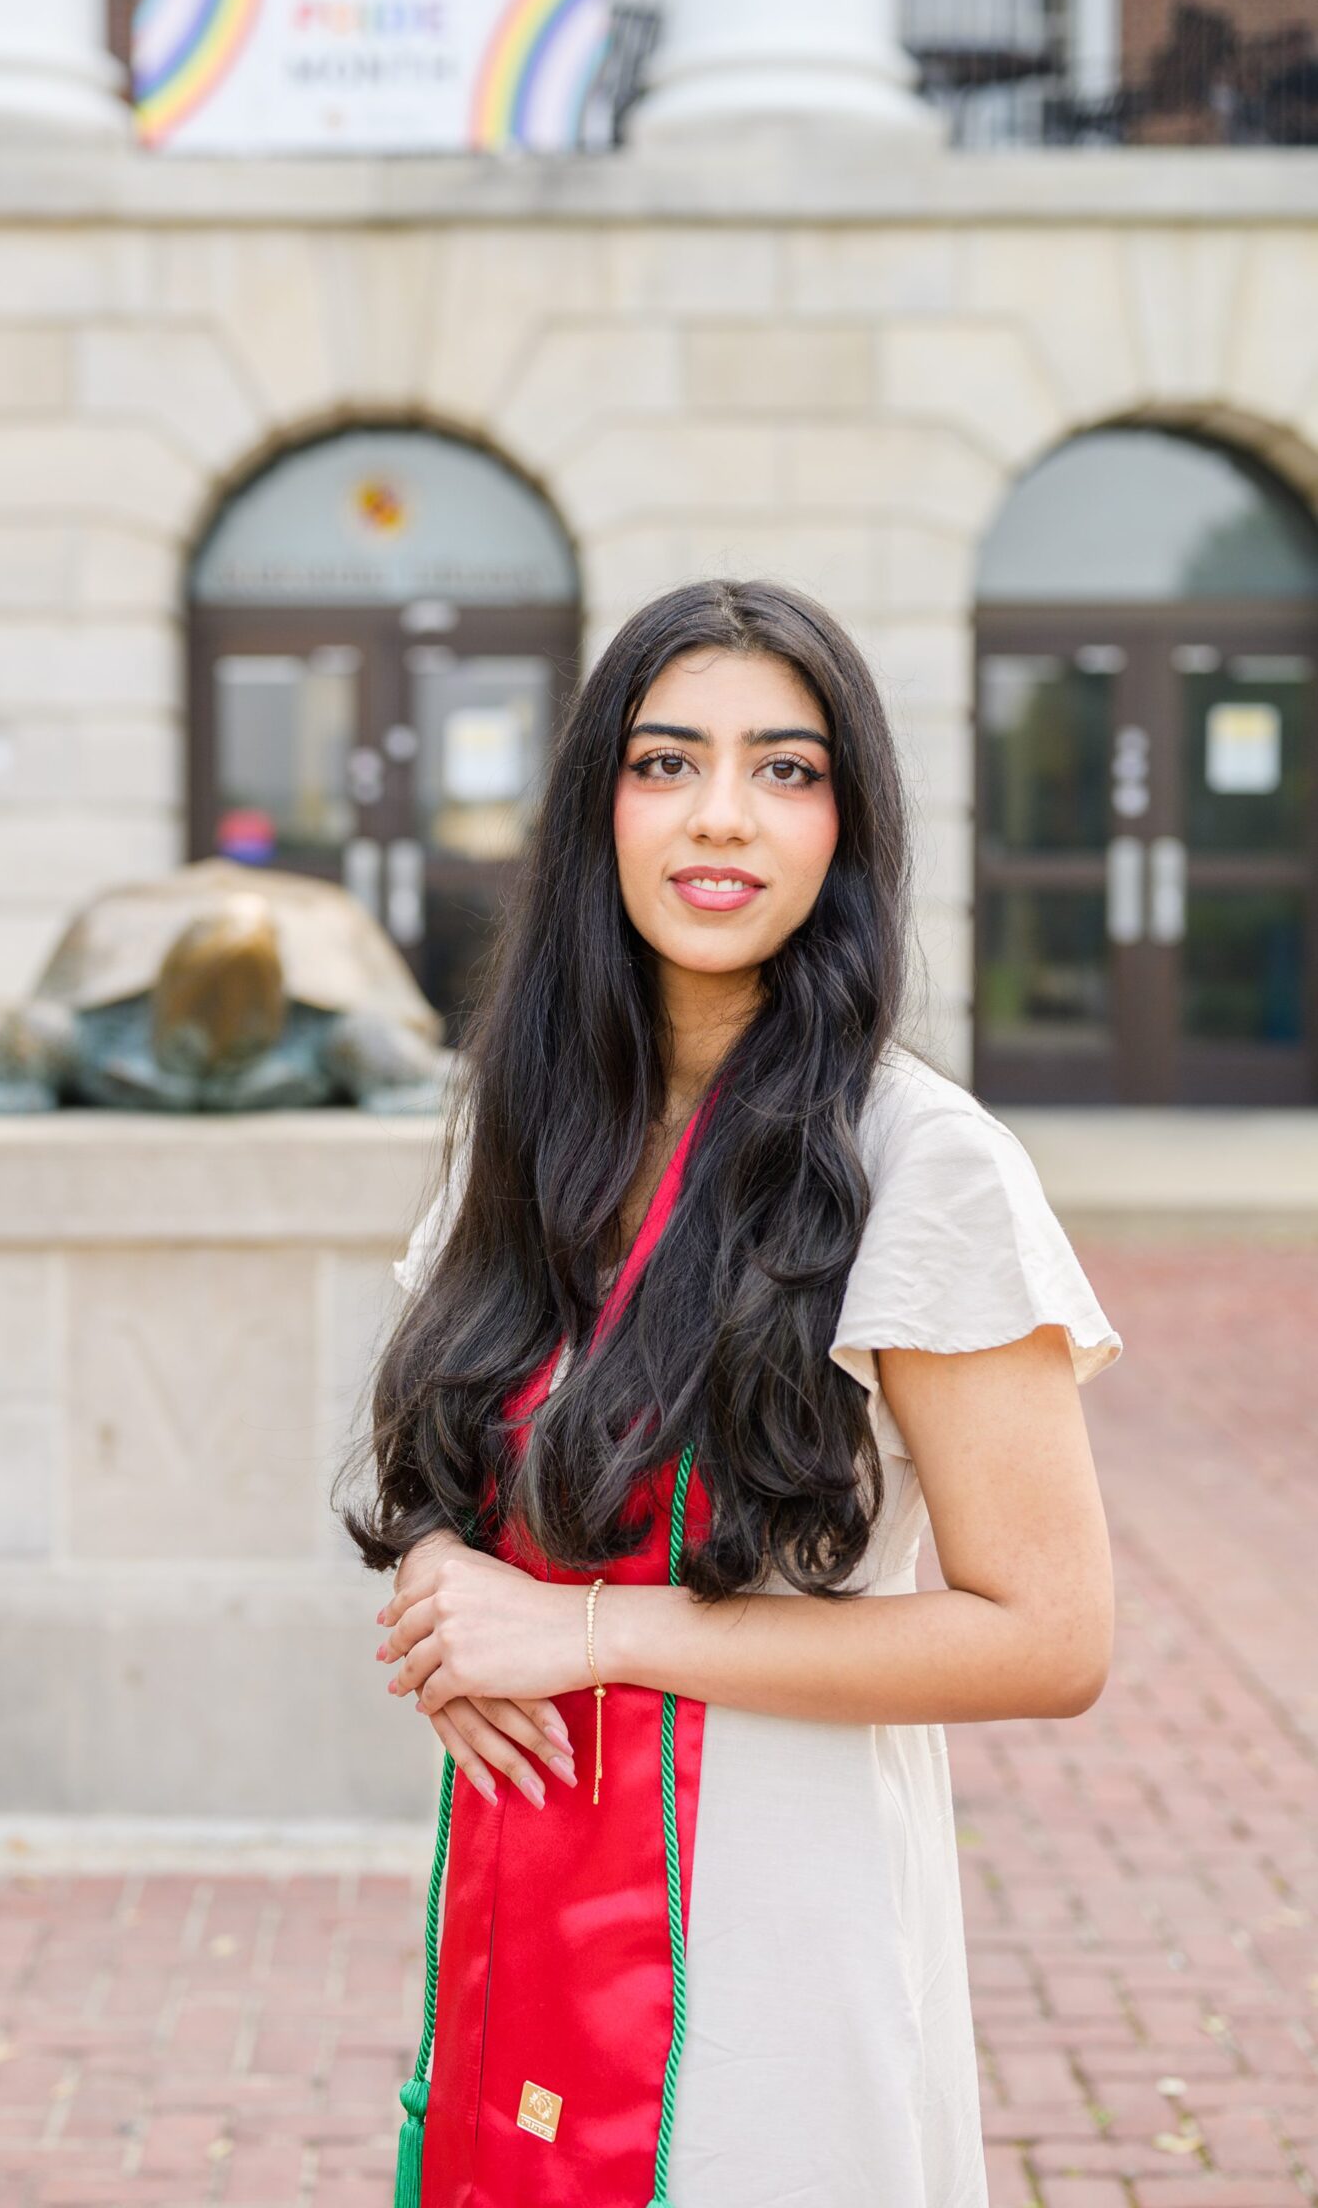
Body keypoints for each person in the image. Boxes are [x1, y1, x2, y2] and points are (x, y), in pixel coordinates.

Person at [335, 577, 1122, 2208]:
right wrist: (436, 1582)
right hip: (522, 1903)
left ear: (848, 825)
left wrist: (593, 1634)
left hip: (773, 1939)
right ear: (594, 813)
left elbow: (1051, 1638)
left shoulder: (925, 1168)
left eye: (786, 769)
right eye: (665, 761)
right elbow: (460, 1459)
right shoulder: (532, 1129)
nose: (720, 818)